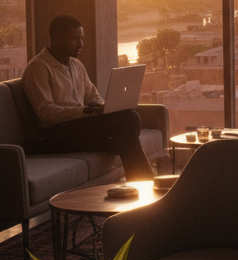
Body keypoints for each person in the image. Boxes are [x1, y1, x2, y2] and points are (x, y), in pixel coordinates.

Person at [21, 15, 155, 181]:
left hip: (77, 126)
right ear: (57, 38)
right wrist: (84, 111)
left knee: (129, 118)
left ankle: (141, 182)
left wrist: (102, 108)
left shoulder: (76, 65)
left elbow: (93, 96)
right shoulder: (38, 68)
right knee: (126, 124)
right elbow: (46, 112)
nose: (81, 44)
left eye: (82, 39)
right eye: (75, 39)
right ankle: (145, 182)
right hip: (52, 134)